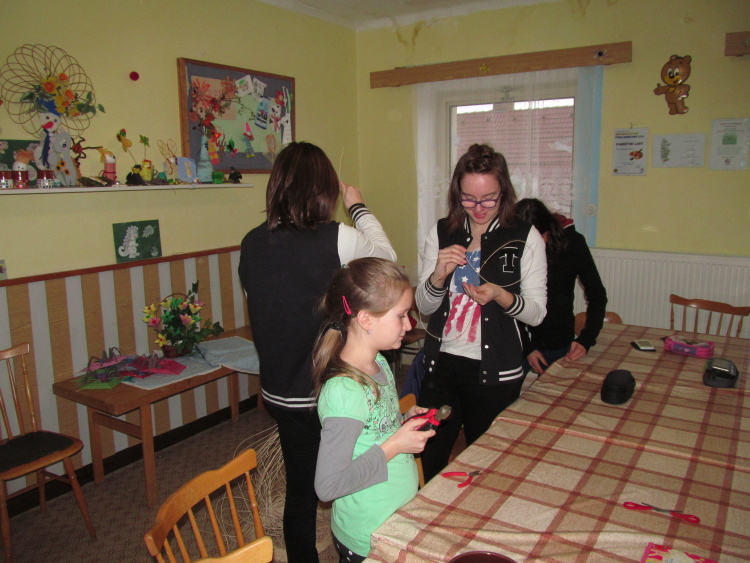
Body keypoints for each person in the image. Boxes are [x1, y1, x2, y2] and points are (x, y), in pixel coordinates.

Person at [238, 142, 396, 563]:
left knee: (301, 488)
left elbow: (265, 309)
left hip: (279, 393)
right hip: (329, 393)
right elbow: (388, 263)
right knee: (352, 473)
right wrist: (358, 205)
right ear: (324, 189)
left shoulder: (251, 242)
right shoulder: (338, 237)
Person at [414, 143, 547, 483]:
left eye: (489, 199)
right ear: (456, 194)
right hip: (441, 365)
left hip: (496, 372)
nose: (478, 208)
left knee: (487, 467)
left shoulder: (524, 236)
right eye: (468, 199)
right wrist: (438, 276)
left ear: (504, 192)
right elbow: (425, 308)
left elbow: (536, 314)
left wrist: (501, 295)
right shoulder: (441, 232)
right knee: (427, 459)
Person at [312, 258, 434, 563]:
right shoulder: (345, 391)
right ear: (366, 320)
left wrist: (402, 423)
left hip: (393, 519)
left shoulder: (378, 362)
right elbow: (328, 486)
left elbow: (372, 433)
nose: (409, 325)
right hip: (367, 535)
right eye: (402, 315)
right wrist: (395, 445)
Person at [516, 198, 608, 374]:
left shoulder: (572, 243)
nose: (531, 248)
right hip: (517, 340)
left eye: (538, 239)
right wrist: (528, 348)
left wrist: (586, 340)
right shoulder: (507, 247)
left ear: (549, 230)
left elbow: (597, 295)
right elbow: (504, 304)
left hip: (557, 342)